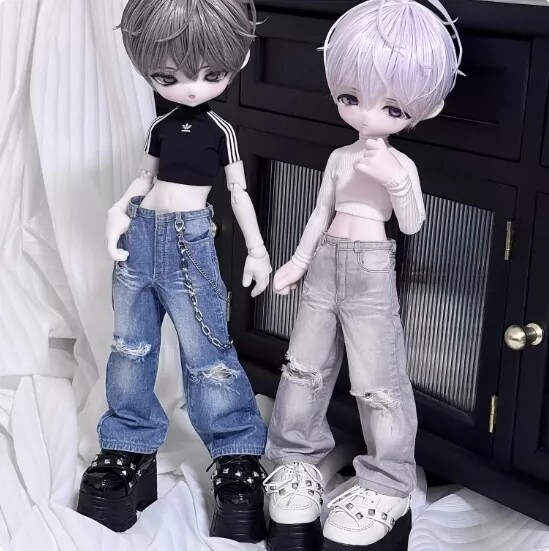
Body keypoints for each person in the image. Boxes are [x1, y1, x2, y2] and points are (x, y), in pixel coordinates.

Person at [262, 0, 462, 549]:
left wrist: (394, 180)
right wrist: (298, 261)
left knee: (379, 382)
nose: (367, 115)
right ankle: (294, 460)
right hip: (325, 261)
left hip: (372, 267)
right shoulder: (339, 156)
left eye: (391, 107)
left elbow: (413, 222)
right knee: (303, 366)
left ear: (424, 110)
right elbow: (318, 211)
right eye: (350, 98)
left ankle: (388, 482)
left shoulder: (401, 164)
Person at [77, 0, 271, 542]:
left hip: (190, 242)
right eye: (169, 76)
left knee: (207, 352)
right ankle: (128, 446)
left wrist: (257, 250)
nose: (190, 88)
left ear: (236, 63)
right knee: (130, 345)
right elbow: (144, 180)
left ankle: (235, 452)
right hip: (139, 237)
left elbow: (238, 193)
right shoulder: (160, 126)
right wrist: (118, 211)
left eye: (211, 74)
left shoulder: (220, 130)